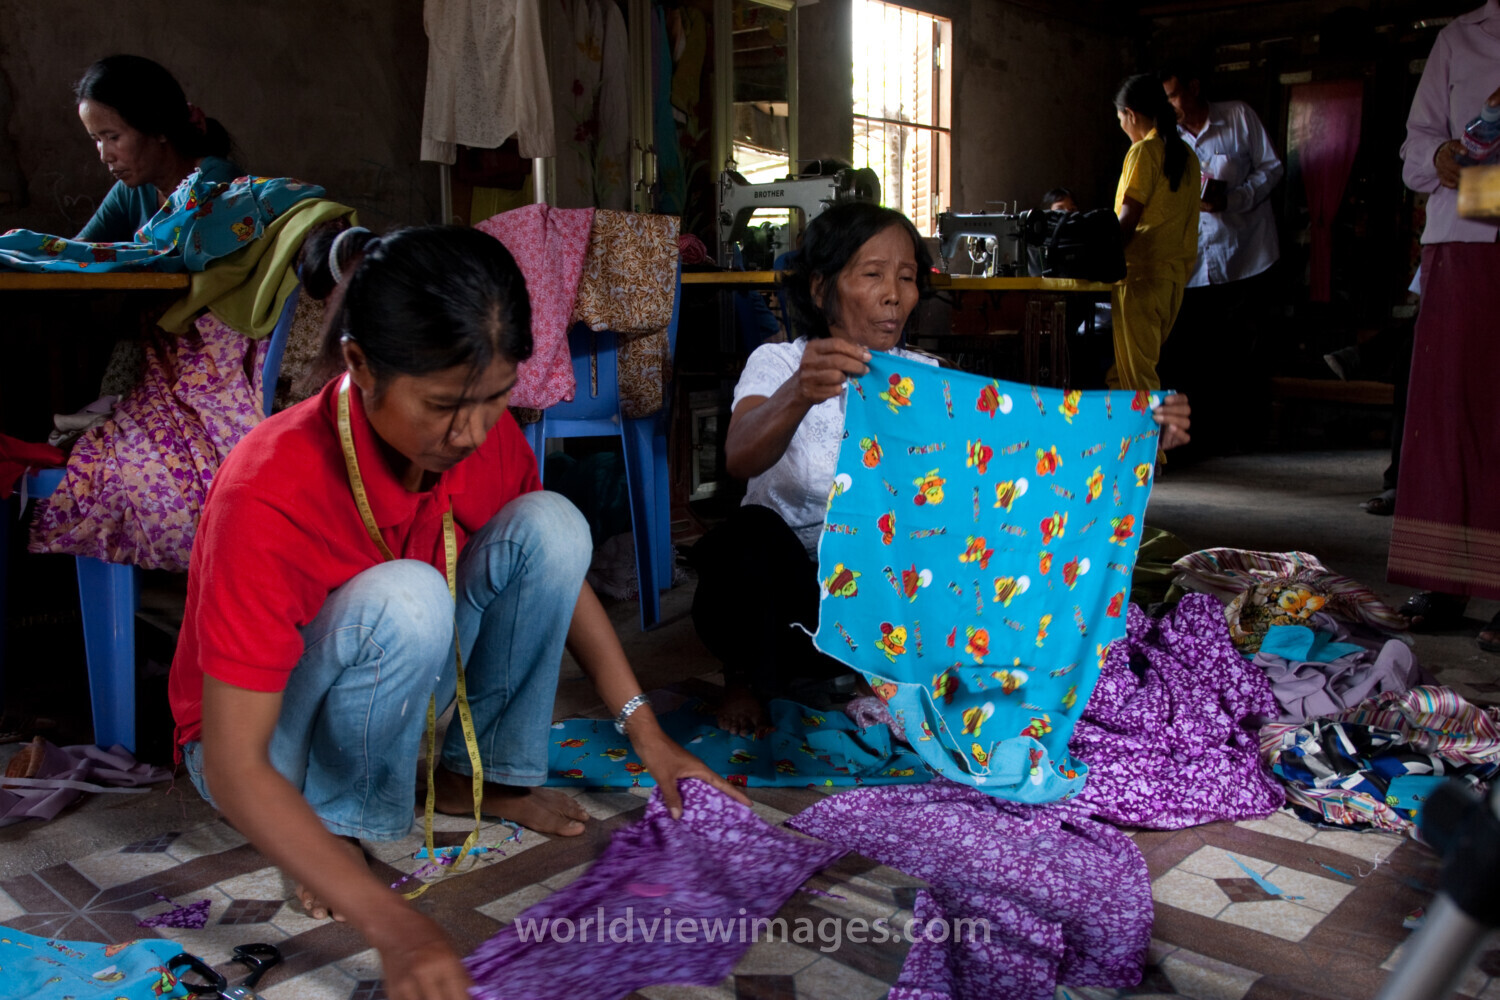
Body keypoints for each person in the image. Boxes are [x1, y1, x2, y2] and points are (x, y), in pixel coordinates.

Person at [168, 224, 747, 1000]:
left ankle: (482, 777)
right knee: (404, 594)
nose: (471, 431)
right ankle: (339, 833)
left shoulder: (476, 435)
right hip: (262, 746)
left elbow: (556, 574)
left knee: (552, 522)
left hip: (389, 695)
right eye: (444, 405)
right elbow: (238, 766)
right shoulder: (267, 488)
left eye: (496, 398)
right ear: (360, 365)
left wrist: (650, 738)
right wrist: (395, 926)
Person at [690, 202, 1193, 737]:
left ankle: (878, 675)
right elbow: (740, 456)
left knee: (981, 532)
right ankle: (744, 677)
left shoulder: (927, 382)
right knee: (744, 540)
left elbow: (1034, 448)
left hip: (894, 606)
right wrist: (798, 395)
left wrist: (1136, 430)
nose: (894, 295)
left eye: (906, 278)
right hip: (792, 603)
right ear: (821, 289)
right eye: (872, 275)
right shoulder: (783, 365)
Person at [1388, 1, 1500, 655]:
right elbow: (1414, 153)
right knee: (1447, 414)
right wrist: (1443, 156)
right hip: (1461, 239)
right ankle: (1444, 579)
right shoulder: (1461, 37)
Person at [1157, 64, 1283, 453]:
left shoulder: (1238, 117)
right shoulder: (1165, 138)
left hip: (1247, 257)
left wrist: (1234, 199)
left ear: (1194, 87)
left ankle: (1249, 437)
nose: (1171, 106)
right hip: (1195, 266)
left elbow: (1272, 167)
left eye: (1174, 96)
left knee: (1247, 353)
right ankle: (1207, 440)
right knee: (1201, 354)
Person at [73, 55, 241, 243]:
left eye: (113, 137)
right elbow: (78, 250)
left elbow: (185, 260)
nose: (105, 156)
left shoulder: (216, 183)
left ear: (159, 128)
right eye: (97, 139)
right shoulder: (133, 190)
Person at [1107, 74, 1201, 393]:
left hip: (1140, 277)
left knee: (1137, 383)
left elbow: (1128, 220)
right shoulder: (1188, 157)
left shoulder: (1144, 152)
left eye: (1121, 119)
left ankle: (1151, 445)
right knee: (1122, 376)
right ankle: (1119, 442)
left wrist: (1101, 260)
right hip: (1173, 279)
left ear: (1130, 114)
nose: (1122, 127)